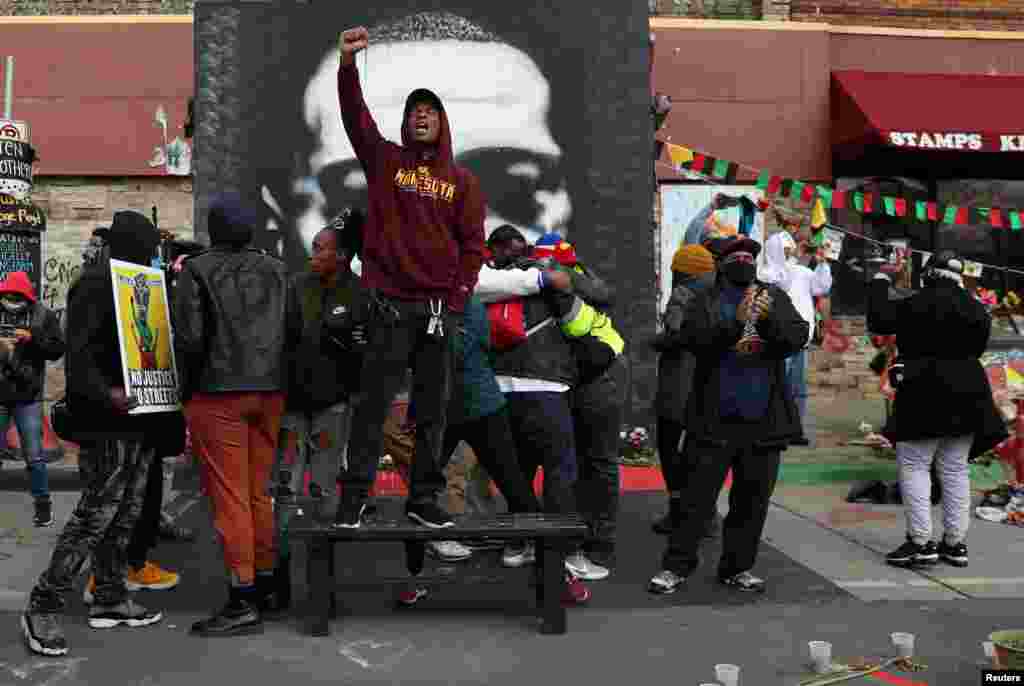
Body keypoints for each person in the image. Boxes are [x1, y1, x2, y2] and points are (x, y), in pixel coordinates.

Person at [331, 26, 486, 530]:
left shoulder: (462, 182)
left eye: (431, 110)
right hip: (389, 305)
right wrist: (347, 68)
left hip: (439, 309)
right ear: (405, 122)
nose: (422, 115)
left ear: (443, 123)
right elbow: (357, 119)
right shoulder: (385, 161)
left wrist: (459, 298)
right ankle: (353, 499)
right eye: (414, 110)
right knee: (373, 408)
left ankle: (422, 499)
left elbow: (473, 246)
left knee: (430, 411)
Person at [22, 211, 176, 656]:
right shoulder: (93, 286)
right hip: (108, 422)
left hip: (140, 418)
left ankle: (108, 596)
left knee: (125, 512)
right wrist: (106, 395)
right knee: (96, 514)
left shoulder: (141, 285)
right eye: (148, 247)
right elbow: (80, 358)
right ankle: (43, 603)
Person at [648, 234, 808, 595]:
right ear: (720, 264)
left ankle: (737, 567)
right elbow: (695, 341)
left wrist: (768, 320)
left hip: (763, 420)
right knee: (694, 501)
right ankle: (676, 566)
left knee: (752, 502)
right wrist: (735, 322)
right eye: (735, 257)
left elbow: (797, 337)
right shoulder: (703, 300)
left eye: (749, 257)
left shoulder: (773, 296)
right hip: (713, 419)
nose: (744, 262)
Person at [173, 193, 302, 637]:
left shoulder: (197, 270)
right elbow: (295, 331)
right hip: (270, 392)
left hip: (217, 392)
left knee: (230, 497)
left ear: (213, 228)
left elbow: (188, 339)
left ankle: (241, 597)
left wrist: (185, 392)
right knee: (257, 494)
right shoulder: (278, 270)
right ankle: (267, 584)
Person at [867, 250, 1007, 569]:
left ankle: (920, 542)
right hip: (970, 392)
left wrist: (881, 278)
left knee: (915, 463)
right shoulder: (976, 309)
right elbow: (978, 347)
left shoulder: (917, 303)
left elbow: (878, 319)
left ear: (929, 274)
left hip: (924, 391)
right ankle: (955, 544)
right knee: (955, 468)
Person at [531, 232, 625, 576]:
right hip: (573, 386)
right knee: (576, 468)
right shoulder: (573, 283)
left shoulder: (576, 288)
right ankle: (566, 542)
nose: (543, 270)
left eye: (548, 264)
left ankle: (597, 549)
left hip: (594, 386)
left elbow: (597, 314)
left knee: (595, 467)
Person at [275, 208, 364, 515]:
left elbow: (362, 352)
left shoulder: (359, 293)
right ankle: (279, 557)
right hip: (293, 403)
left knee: (323, 486)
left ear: (341, 255)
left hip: (333, 404)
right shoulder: (296, 286)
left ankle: (324, 552)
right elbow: (282, 338)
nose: (311, 254)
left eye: (318, 248)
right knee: (286, 484)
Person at [650, 244, 720, 539]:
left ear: (682, 272)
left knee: (669, 447)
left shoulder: (683, 294)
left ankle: (679, 512)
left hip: (679, 383)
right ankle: (707, 514)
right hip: (710, 385)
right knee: (702, 452)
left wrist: (657, 340)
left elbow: (677, 334)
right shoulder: (721, 294)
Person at [0, 272, 64, 527]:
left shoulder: (43, 315)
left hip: (28, 395)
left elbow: (57, 349)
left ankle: (43, 504)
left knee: (34, 455)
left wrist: (33, 340)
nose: (10, 300)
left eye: (16, 297)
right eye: (7, 296)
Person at [758, 231, 833, 446]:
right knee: (776, 384)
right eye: (784, 250)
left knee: (797, 388)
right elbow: (780, 284)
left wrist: (822, 264)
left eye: (790, 249)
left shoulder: (802, 272)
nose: (788, 253)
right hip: (778, 339)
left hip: (800, 339)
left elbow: (821, 287)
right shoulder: (766, 273)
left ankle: (795, 429)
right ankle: (772, 427)